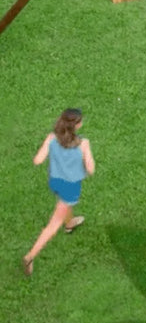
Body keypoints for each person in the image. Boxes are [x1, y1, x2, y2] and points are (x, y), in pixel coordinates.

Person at [22, 108, 95, 276]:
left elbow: (37, 160)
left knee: (64, 206)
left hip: (55, 182)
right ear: (76, 125)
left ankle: (69, 224)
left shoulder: (51, 138)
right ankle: (31, 256)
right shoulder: (83, 144)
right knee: (54, 224)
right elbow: (91, 169)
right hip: (70, 187)